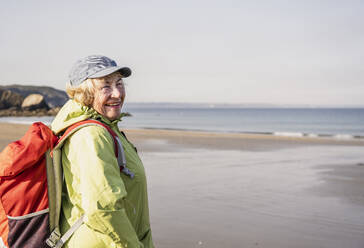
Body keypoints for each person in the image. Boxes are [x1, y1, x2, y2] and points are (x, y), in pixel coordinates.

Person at [51, 55, 154, 248]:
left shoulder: (106, 127)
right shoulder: (91, 135)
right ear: (84, 93)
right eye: (106, 86)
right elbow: (103, 207)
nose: (117, 93)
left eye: (119, 83)